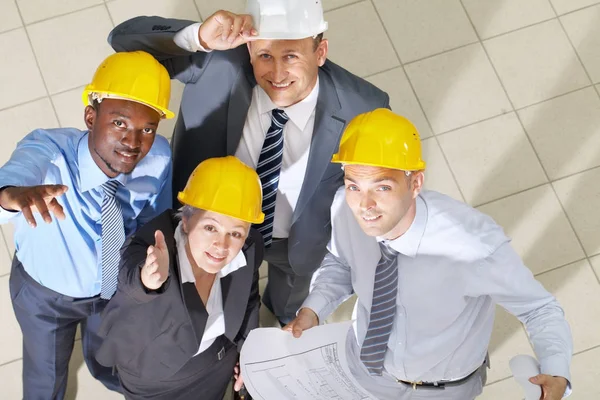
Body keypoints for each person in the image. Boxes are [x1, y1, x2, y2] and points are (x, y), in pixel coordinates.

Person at [107, 0, 390, 324]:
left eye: (292, 56)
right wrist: (198, 36)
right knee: (210, 296)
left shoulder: (364, 108)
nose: (278, 73)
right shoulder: (219, 62)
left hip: (295, 242)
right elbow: (123, 40)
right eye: (265, 55)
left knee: (289, 300)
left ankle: (283, 314)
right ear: (251, 47)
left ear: (321, 52)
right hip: (210, 228)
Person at [285, 109, 573, 400]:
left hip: (440, 390)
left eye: (382, 187)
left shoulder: (473, 247)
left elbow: (539, 309)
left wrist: (556, 370)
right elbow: (340, 262)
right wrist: (312, 310)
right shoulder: (344, 208)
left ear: (415, 184)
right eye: (354, 186)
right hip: (363, 367)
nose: (364, 205)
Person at [0, 51, 174, 399]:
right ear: (91, 117)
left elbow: (155, 217)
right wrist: (12, 196)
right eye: (120, 123)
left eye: (148, 128)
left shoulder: (159, 158)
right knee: (46, 377)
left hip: (113, 288)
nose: (133, 142)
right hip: (46, 297)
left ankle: (107, 375)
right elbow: (12, 183)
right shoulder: (47, 150)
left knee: (109, 356)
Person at [95, 156, 264, 400]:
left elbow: (249, 300)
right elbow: (131, 276)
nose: (222, 245)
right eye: (210, 227)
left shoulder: (249, 248)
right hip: (157, 378)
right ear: (185, 220)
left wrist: (247, 353)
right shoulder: (152, 245)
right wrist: (149, 281)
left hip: (216, 363)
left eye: (236, 233)